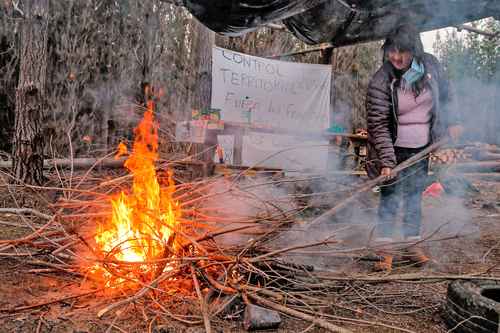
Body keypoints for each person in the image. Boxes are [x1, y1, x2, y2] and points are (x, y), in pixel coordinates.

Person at [365, 25, 463, 271]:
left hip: (421, 148)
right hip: (392, 149)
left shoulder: (430, 66)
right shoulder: (382, 80)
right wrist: (387, 162)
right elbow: (378, 124)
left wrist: (453, 122)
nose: (396, 57)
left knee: (413, 198)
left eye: (403, 52)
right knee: (389, 198)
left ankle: (411, 245)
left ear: (415, 51)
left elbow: (448, 95)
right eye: (391, 51)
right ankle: (384, 251)